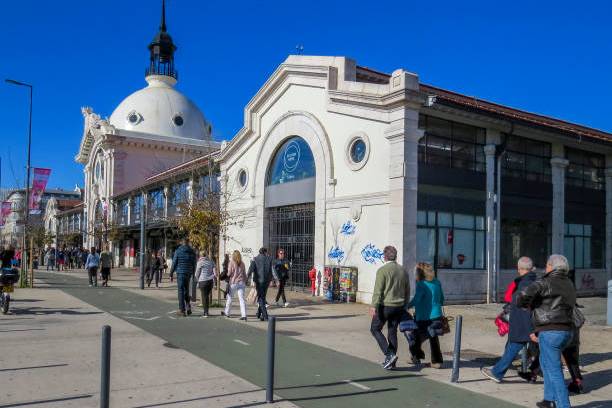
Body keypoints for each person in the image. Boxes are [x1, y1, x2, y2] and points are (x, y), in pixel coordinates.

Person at [517, 254, 576, 408]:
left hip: (550, 330)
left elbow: (523, 295)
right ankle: (548, 399)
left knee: (554, 369)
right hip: (567, 330)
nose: (546, 267)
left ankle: (563, 405)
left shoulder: (544, 282)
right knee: (545, 363)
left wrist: (527, 304)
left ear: (551, 267)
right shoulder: (569, 283)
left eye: (547, 265)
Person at [481, 257, 537, 382]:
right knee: (515, 348)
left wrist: (530, 330)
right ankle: (498, 371)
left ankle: (497, 372)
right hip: (526, 324)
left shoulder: (524, 285)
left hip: (523, 324)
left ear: (519, 268)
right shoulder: (533, 281)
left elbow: (524, 309)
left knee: (515, 347)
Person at [370, 245, 410, 370]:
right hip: (399, 306)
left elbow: (378, 290)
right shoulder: (403, 270)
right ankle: (391, 363)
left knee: (375, 329)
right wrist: (405, 304)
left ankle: (389, 354)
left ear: (385, 256)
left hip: (385, 306)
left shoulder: (382, 270)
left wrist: (374, 305)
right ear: (395, 256)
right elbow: (407, 290)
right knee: (392, 332)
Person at [407, 262, 446, 368]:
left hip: (424, 316)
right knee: (433, 338)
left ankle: (416, 357)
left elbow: (417, 299)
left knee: (415, 336)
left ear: (420, 273)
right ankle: (437, 361)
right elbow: (442, 299)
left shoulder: (421, 284)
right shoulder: (437, 282)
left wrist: (407, 305)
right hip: (437, 314)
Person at [170, 238, 197, 317]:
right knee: (186, 290)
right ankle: (188, 306)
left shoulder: (178, 251)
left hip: (180, 272)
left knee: (181, 291)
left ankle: (182, 310)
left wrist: (171, 273)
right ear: (188, 243)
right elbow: (194, 263)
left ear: (182, 243)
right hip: (188, 273)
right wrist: (193, 273)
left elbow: (174, 262)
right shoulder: (192, 252)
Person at [248, 247, 274, 321]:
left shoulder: (255, 259)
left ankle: (265, 315)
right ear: (265, 252)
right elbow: (272, 270)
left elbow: (251, 269)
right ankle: (259, 314)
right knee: (262, 297)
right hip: (266, 281)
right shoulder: (269, 259)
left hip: (259, 281)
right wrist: (273, 279)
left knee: (261, 298)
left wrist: (246, 278)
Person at [224, 250, 248, 320]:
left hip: (233, 282)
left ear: (233, 256)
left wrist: (226, 275)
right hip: (241, 282)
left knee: (230, 297)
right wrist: (245, 281)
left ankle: (227, 312)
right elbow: (244, 274)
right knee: (241, 299)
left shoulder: (231, 263)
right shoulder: (242, 263)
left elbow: (229, 273)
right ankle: (244, 315)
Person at [196, 251, 217, 317]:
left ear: (200, 255)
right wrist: (214, 278)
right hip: (210, 281)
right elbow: (215, 272)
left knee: (204, 297)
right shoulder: (211, 261)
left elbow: (197, 273)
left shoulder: (200, 262)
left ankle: (205, 313)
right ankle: (207, 311)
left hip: (203, 281)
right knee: (207, 296)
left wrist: (197, 280)